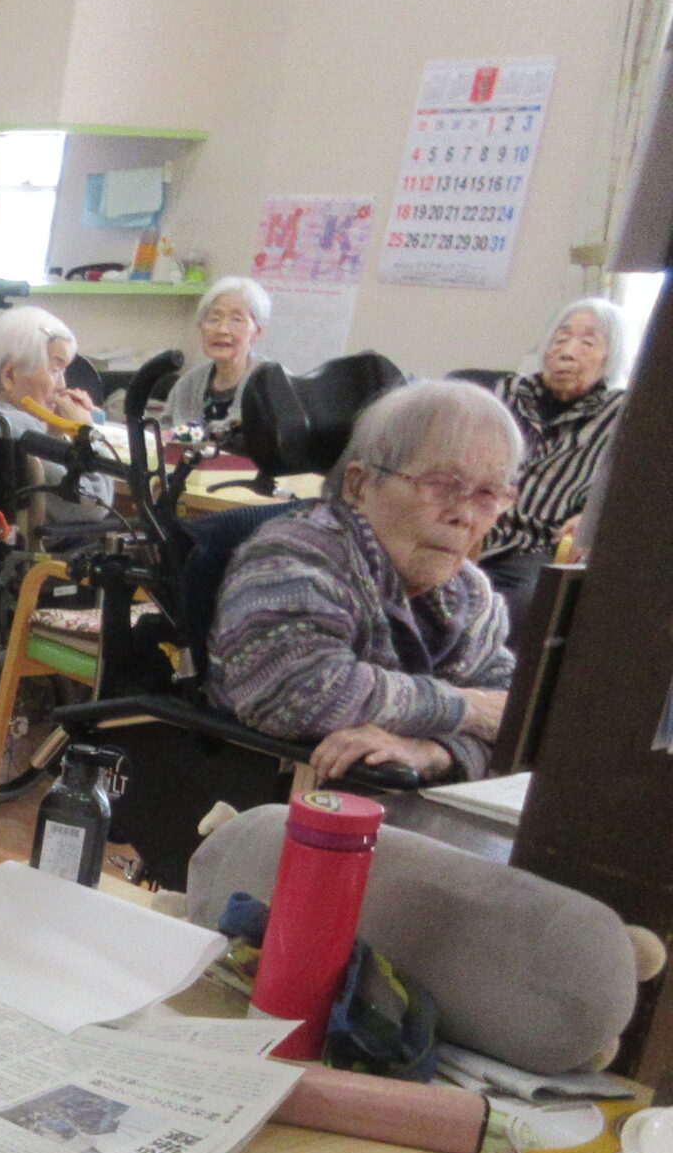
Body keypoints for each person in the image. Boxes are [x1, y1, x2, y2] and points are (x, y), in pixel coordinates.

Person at [207, 379, 517, 784]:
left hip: (398, 800)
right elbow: (296, 694)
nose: (465, 516)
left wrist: (432, 754)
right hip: (265, 790)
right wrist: (466, 708)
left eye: (488, 494)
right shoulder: (293, 558)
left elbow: (517, 722)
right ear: (358, 484)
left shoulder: (469, 595)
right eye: (441, 485)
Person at [473, 296, 628, 632]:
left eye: (587, 343)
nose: (568, 351)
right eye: (561, 338)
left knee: (527, 603)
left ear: (610, 358)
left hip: (538, 543)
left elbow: (629, 487)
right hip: (477, 525)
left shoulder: (620, 414)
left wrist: (591, 517)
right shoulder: (510, 392)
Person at [0, 306, 113, 523]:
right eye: (55, 371)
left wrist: (54, 434)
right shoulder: (17, 431)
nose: (62, 385)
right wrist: (88, 435)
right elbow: (95, 505)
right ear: (10, 375)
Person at [161, 276, 270, 434]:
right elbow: (164, 435)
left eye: (236, 320)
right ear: (201, 326)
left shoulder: (272, 385)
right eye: (214, 319)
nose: (222, 329)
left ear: (257, 331)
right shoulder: (188, 384)